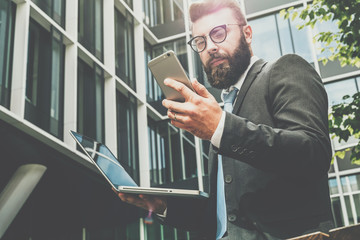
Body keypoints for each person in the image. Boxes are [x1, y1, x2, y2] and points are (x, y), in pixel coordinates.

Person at [115, 0, 334, 239]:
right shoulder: (222, 113)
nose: (209, 47)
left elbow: (313, 152)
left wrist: (220, 127)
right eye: (200, 41)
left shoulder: (284, 69)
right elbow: (226, 217)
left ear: (247, 33)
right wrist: (162, 206)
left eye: (218, 33)